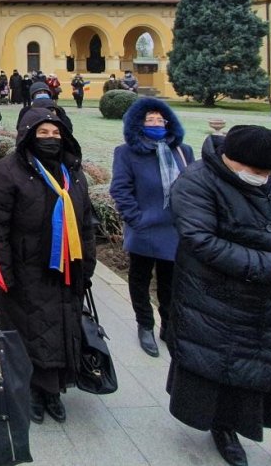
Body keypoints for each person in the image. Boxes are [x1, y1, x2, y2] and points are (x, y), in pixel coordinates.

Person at [167, 126, 271, 466]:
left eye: (268, 174)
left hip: (267, 297)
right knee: (226, 367)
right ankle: (224, 429)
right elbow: (200, 240)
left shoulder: (265, 180)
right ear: (231, 159)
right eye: (257, 172)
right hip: (216, 296)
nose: (263, 178)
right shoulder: (196, 182)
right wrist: (270, 267)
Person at [0, 107, 96, 425]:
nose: (49, 138)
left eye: (55, 133)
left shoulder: (71, 172)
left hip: (65, 269)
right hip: (24, 270)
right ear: (29, 135)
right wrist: (3, 272)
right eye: (42, 133)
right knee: (26, 332)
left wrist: (86, 264)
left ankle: (53, 390)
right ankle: (30, 389)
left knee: (60, 328)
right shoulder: (9, 170)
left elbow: (86, 221)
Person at [109, 98, 193, 358]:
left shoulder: (183, 150)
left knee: (170, 283)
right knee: (140, 278)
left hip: (174, 229)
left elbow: (193, 186)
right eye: (149, 120)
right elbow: (120, 189)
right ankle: (144, 324)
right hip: (145, 228)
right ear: (137, 124)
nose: (156, 124)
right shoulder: (126, 152)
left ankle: (169, 325)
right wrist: (136, 219)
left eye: (160, 120)